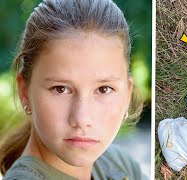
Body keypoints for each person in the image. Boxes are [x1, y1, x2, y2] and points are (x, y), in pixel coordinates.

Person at [0, 0, 147, 179]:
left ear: (127, 95)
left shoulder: (119, 165)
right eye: (60, 89)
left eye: (104, 89)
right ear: (25, 92)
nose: (82, 119)